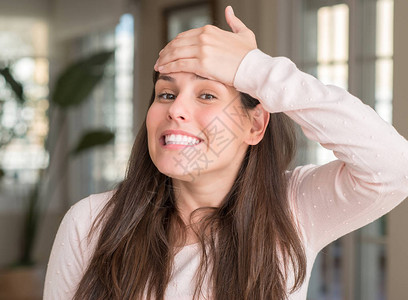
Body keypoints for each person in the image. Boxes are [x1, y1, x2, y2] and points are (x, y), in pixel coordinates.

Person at [44, 6, 408, 300]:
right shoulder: (89, 223)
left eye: (206, 95)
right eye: (166, 94)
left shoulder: (294, 210)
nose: (175, 110)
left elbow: (395, 167)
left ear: (255, 126)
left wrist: (256, 69)